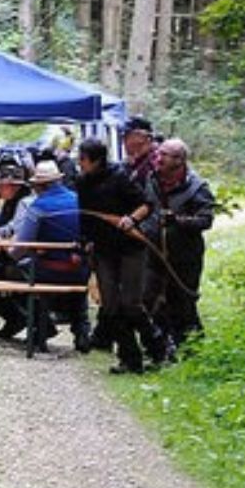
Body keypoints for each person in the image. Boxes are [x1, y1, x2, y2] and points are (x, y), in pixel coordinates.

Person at [0, 160, 88, 351]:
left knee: (13, 272)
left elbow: (21, 246)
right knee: (72, 278)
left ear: (40, 185)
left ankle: (40, 327)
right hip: (79, 268)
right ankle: (81, 332)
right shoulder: (78, 199)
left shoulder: (38, 206)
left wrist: (6, 259)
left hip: (47, 269)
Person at [76, 137, 170, 373]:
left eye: (83, 159)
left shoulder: (119, 177)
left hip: (130, 248)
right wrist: (85, 241)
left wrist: (132, 219)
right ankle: (130, 359)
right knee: (111, 305)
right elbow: (85, 216)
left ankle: (159, 348)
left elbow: (146, 204)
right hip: (103, 249)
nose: (79, 163)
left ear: (96, 160)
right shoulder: (82, 182)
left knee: (131, 304)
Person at [146, 138, 215, 349]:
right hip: (154, 253)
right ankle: (161, 349)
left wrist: (178, 220)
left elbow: (206, 220)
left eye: (163, 155)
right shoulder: (152, 179)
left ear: (178, 160)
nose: (157, 158)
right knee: (153, 301)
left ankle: (191, 350)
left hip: (185, 257)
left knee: (183, 303)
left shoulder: (197, 187)